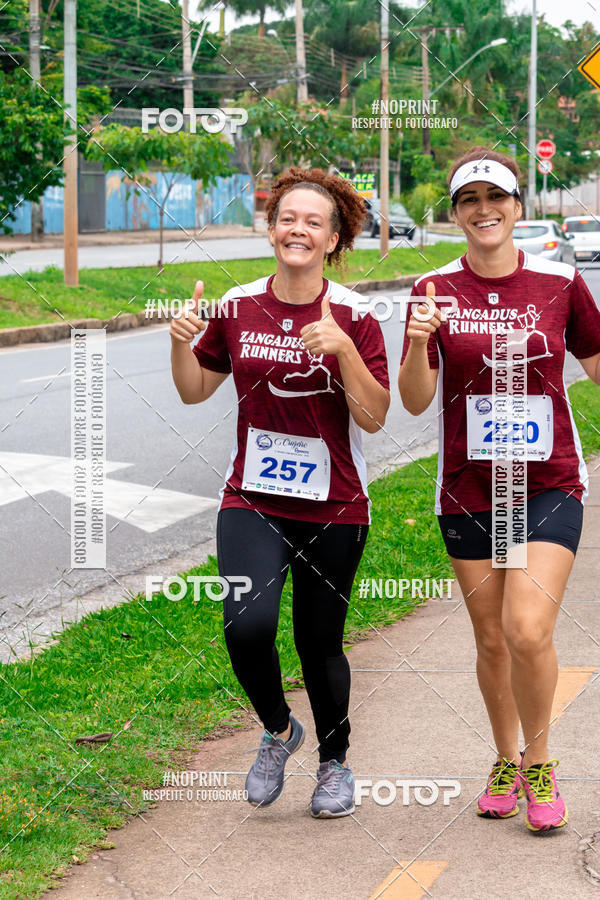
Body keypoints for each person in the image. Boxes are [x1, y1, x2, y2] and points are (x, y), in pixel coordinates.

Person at [170, 167, 390, 817]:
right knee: (247, 627)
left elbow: (374, 416)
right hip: (253, 500)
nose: (298, 228)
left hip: (336, 506)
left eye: (313, 222)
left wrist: (344, 350)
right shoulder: (237, 305)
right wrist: (179, 343)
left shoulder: (357, 315)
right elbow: (192, 390)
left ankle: (334, 764)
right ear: (271, 229)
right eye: (287, 218)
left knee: (318, 643)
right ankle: (277, 730)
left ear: (333, 239)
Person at [398, 146, 600, 833]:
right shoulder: (431, 289)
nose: (484, 210)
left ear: (519, 207)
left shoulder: (560, 283)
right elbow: (415, 399)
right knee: (490, 639)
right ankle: (504, 758)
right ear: (456, 214)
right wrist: (419, 342)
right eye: (469, 200)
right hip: (467, 488)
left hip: (546, 482)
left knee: (526, 627)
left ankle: (539, 761)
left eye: (496, 198)